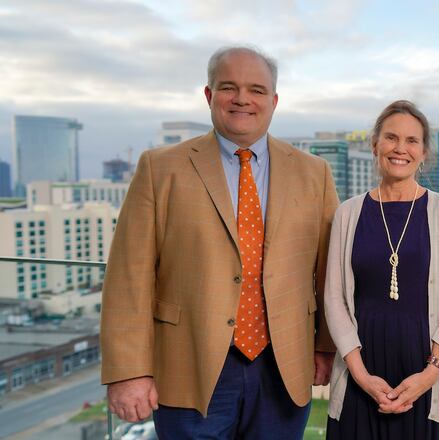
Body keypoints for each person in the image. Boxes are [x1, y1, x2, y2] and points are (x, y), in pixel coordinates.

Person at [100, 46, 339, 439]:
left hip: (284, 368)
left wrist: (326, 348)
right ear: (209, 95)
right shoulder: (160, 169)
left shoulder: (314, 173)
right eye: (229, 87)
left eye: (257, 90)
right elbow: (129, 278)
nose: (243, 98)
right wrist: (128, 372)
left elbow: (328, 270)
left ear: (274, 101)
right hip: (189, 367)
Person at [323, 100, 439, 439]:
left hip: (428, 375)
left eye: (411, 141)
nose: (400, 149)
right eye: (391, 138)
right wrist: (361, 377)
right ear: (375, 144)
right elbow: (334, 299)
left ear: (423, 152)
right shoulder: (348, 213)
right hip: (362, 374)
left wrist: (430, 374)